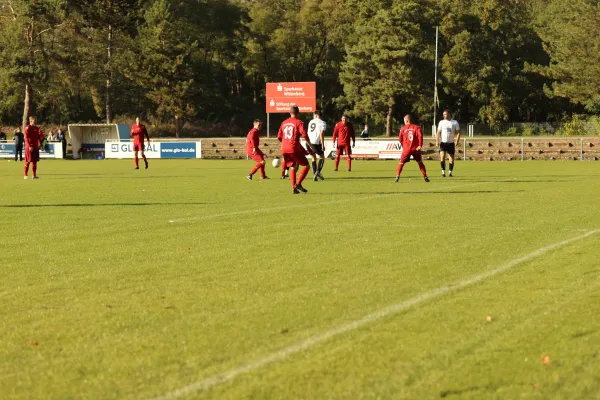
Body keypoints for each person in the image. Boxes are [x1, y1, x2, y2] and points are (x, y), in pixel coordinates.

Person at [277, 105, 316, 194]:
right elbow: (304, 135)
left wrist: (285, 143)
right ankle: (298, 184)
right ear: (298, 113)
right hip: (293, 147)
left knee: (293, 166)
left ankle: (293, 188)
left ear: (290, 113)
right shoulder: (299, 122)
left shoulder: (284, 123)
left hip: (284, 148)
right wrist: (311, 146)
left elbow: (279, 137)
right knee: (306, 166)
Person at [395, 115, 430, 183]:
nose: (404, 122)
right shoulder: (417, 127)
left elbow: (400, 139)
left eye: (404, 121)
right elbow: (420, 136)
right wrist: (420, 145)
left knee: (401, 163)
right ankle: (425, 176)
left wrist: (404, 146)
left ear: (407, 120)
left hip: (406, 149)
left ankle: (397, 176)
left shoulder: (403, 128)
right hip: (415, 149)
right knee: (420, 162)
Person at [436, 109, 460, 177]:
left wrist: (457, 141)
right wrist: (437, 141)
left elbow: (458, 133)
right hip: (443, 143)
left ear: (449, 114)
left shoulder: (454, 122)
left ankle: (450, 172)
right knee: (442, 156)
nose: (444, 116)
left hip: (451, 143)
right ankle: (443, 172)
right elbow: (438, 132)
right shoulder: (441, 122)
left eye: (445, 114)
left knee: (451, 159)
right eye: (443, 114)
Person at [306, 110, 327, 181]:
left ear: (316, 115)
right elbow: (321, 134)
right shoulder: (323, 123)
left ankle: (315, 174)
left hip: (308, 143)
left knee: (313, 158)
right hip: (316, 143)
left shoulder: (311, 122)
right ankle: (317, 172)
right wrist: (323, 145)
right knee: (322, 157)